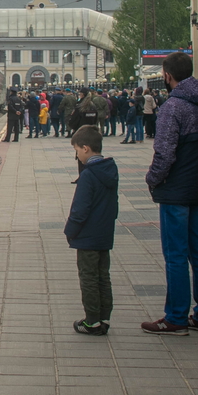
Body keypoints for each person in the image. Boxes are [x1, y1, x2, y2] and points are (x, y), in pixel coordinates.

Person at [141, 51, 198, 336]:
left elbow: (164, 153)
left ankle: (175, 318)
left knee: (176, 255)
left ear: (167, 75)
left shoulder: (173, 107)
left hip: (175, 192)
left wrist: (152, 179)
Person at [65, 124, 118, 335]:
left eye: (76, 151)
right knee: (103, 276)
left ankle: (91, 321)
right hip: (104, 234)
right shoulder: (110, 170)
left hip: (87, 236)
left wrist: (70, 231)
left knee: (88, 278)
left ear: (85, 148)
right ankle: (104, 318)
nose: (76, 156)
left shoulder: (88, 175)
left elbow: (80, 210)